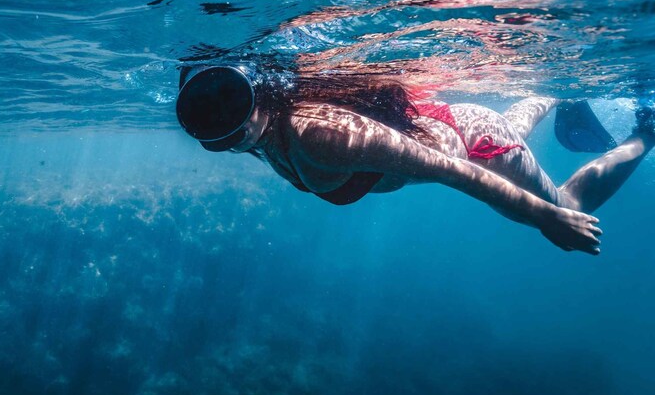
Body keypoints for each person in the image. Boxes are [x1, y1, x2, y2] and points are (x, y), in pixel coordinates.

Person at [176, 64, 655, 255]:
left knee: (572, 203)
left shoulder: (316, 134)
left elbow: (450, 169)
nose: (222, 119)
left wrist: (550, 218)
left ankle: (645, 134)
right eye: (203, 113)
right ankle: (550, 87)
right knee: (508, 126)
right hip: (462, 127)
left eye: (228, 99)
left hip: (474, 147)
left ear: (259, 91)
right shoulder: (262, 131)